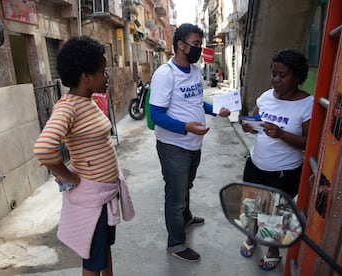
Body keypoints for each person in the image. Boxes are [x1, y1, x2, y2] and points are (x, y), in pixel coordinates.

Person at [33, 36, 134, 276]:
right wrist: (68, 176)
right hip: (91, 200)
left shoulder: (87, 102)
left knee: (103, 251)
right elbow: (44, 148)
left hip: (103, 196)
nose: (106, 77)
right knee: (91, 260)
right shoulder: (68, 106)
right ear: (85, 76)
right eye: (101, 71)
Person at [149, 23, 231, 262]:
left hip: (194, 144)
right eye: (195, 44)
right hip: (174, 147)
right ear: (180, 45)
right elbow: (156, 116)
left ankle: (185, 218)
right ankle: (175, 243)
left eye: (199, 44)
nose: (199, 48)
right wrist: (186, 127)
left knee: (186, 186)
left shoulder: (195, 70)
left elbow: (196, 103)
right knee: (175, 196)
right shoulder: (165, 74)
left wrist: (216, 110)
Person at [239, 48, 313, 271]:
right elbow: (255, 121)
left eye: (283, 75)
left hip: (284, 172)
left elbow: (310, 142)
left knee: (275, 214)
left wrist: (282, 134)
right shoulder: (265, 96)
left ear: (298, 77)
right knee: (251, 207)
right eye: (274, 74)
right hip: (255, 165)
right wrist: (249, 126)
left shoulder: (306, 104)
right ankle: (252, 238)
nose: (276, 80)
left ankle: (272, 250)